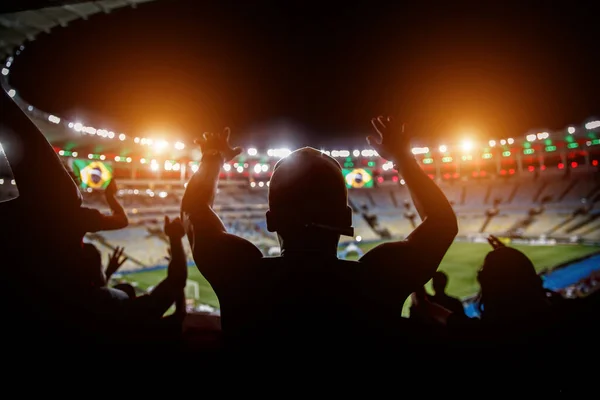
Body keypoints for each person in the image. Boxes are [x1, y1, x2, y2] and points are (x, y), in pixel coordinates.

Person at [181, 117, 458, 353]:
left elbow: (194, 210)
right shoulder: (378, 279)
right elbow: (443, 223)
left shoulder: (241, 274)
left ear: (271, 220)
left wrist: (212, 157)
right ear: (346, 219)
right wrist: (402, 157)